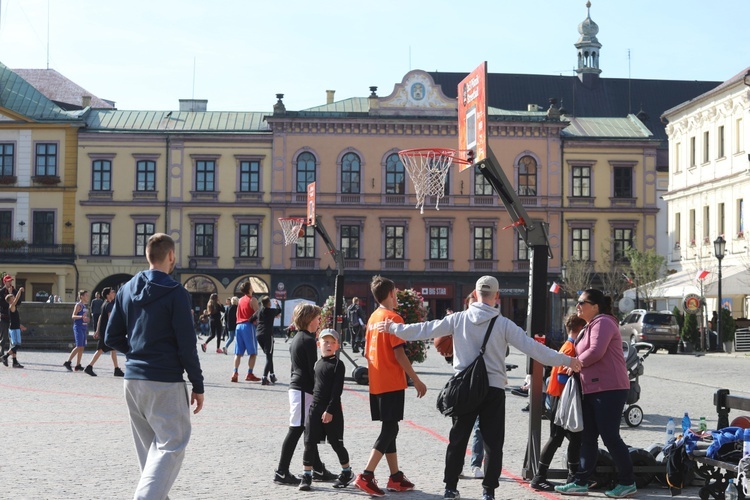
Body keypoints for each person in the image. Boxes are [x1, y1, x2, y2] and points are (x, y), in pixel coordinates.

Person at [379, 275, 581, 500]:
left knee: (458, 439)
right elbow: (534, 349)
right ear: (497, 296)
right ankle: (489, 490)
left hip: (464, 388)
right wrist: (567, 360)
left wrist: (394, 328)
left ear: (474, 295)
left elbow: (426, 329)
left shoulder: (458, 319)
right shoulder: (504, 324)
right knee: (493, 443)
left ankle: (450, 487)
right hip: (493, 389)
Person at [104, 232, 204, 500]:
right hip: (164, 381)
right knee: (172, 445)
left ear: (147, 255)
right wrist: (198, 384)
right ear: (171, 256)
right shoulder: (176, 292)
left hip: (133, 380)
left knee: (150, 452)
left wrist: (137, 352)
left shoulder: (125, 289)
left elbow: (110, 337)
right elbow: (186, 345)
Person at [555, 289, 637, 498]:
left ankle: (628, 482)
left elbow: (596, 351)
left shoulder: (604, 322)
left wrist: (575, 364)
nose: (578, 306)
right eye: (578, 302)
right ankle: (581, 481)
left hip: (610, 388)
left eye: (582, 302)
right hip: (592, 387)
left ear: (596, 306)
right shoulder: (590, 325)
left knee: (610, 436)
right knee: (588, 437)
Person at [354, 275, 426, 497]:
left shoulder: (374, 317)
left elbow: (366, 352)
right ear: (392, 293)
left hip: (376, 382)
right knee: (390, 429)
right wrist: (415, 379)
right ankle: (366, 475)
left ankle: (395, 477)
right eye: (396, 293)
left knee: (389, 427)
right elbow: (399, 353)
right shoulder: (393, 319)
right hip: (391, 381)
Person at [274, 303, 335, 485]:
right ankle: (282, 471)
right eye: (317, 318)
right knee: (296, 430)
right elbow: (312, 370)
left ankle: (317, 469)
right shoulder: (307, 340)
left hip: (299, 388)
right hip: (302, 389)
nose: (319, 322)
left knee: (309, 430)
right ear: (309, 319)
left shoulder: (300, 337)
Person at [529, 313, 587, 492]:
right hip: (560, 399)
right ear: (581, 330)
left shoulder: (567, 345)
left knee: (575, 438)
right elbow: (562, 377)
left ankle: (573, 475)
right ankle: (540, 477)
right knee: (557, 438)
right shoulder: (570, 348)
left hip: (557, 397)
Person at [298, 328, 353, 491]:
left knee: (336, 443)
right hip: (315, 407)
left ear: (337, 346)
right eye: (325, 342)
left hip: (331, 409)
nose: (328, 345)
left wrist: (329, 410)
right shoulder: (317, 363)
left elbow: (337, 391)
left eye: (332, 342)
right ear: (318, 344)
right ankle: (307, 476)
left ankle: (347, 472)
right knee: (309, 442)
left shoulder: (338, 365)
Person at [82, 287, 124, 377]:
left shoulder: (105, 304)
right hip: (107, 332)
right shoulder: (109, 305)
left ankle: (117, 369)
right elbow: (110, 319)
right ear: (108, 295)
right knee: (100, 350)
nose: (114, 293)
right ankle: (89, 366)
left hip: (104, 331)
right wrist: (116, 329)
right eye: (112, 292)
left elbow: (101, 317)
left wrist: (97, 330)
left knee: (113, 349)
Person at [231, 281, 261, 382]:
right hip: (248, 326)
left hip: (238, 326)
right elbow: (258, 314)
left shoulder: (239, 300)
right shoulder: (253, 300)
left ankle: (235, 372)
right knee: (253, 353)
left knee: (238, 353)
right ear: (249, 289)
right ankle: (249, 373)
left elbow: (236, 315)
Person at [252, 295, 281, 385]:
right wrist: (277, 304)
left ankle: (272, 375)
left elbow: (250, 319)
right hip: (268, 335)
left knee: (269, 355)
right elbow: (279, 310)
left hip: (259, 334)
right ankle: (264, 377)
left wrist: (256, 321)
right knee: (269, 356)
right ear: (269, 303)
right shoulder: (271, 311)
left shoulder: (258, 311)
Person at [63, 290, 90, 372]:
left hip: (83, 327)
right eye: (86, 295)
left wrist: (86, 319)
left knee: (82, 347)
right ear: (81, 296)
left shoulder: (85, 306)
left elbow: (84, 317)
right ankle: (68, 362)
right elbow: (73, 316)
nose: (87, 297)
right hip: (78, 327)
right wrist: (81, 317)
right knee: (78, 346)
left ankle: (78, 365)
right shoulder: (78, 305)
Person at [1, 286, 25, 368]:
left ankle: (14, 362)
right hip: (14, 329)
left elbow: (14, 319)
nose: (14, 298)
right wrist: (20, 291)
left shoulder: (11, 306)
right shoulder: (11, 306)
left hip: (15, 327)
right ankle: (5, 356)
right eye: (12, 297)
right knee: (17, 345)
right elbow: (17, 298)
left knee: (14, 346)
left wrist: (10, 291)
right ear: (10, 300)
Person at [1, 274, 19, 357]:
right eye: (8, 281)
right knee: (4, 337)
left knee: (13, 340)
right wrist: (9, 299)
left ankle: (12, 358)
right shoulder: (1, 292)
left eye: (11, 281)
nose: (10, 282)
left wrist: (12, 296)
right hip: (4, 317)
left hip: (12, 317)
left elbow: (19, 302)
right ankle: (1, 354)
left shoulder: (14, 291)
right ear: (4, 282)